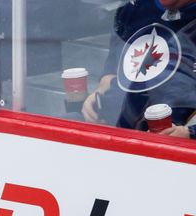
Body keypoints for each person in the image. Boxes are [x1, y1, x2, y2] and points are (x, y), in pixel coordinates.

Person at [81, 0, 196, 133]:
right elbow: (114, 68)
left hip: (168, 141)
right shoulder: (135, 6)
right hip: (112, 129)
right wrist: (99, 95)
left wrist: (189, 134)